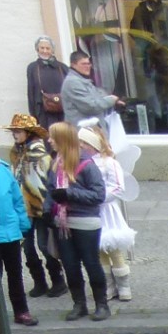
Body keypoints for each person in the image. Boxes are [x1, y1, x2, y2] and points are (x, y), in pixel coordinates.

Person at [45, 120, 109, 321]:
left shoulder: (86, 164)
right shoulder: (56, 163)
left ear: (62, 139)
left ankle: (102, 304)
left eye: (52, 137)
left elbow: (98, 195)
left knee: (91, 263)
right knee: (70, 265)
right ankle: (79, 304)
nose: (49, 141)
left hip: (85, 221)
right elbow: (50, 190)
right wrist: (48, 210)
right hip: (63, 223)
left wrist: (69, 194)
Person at [0, 133, 37, 323]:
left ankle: (21, 311)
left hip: (10, 232)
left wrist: (22, 223)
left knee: (15, 274)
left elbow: (17, 199)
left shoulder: (4, 170)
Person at [8, 112, 66, 297]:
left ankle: (58, 280)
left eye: (18, 131)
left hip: (40, 208)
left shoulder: (38, 154)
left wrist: (46, 206)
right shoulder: (17, 153)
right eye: (14, 131)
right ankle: (39, 281)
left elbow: (43, 183)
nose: (15, 135)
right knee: (28, 247)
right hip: (23, 208)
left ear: (29, 133)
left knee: (44, 245)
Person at [82, 121, 135, 302]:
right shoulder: (84, 163)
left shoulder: (109, 163)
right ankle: (108, 285)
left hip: (107, 209)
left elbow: (117, 186)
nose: (81, 147)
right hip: (92, 211)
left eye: (84, 143)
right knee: (99, 249)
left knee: (113, 247)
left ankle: (124, 285)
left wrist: (99, 197)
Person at [61, 48, 120, 126]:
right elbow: (90, 107)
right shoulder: (72, 82)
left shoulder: (82, 79)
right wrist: (111, 100)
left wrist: (113, 101)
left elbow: (98, 98)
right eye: (83, 64)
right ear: (73, 65)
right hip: (83, 131)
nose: (87, 66)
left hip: (91, 129)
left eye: (88, 63)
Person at [28, 35, 69, 127]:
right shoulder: (33, 68)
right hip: (43, 111)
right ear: (37, 49)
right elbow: (31, 91)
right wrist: (33, 114)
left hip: (62, 110)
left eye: (48, 48)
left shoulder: (62, 67)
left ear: (52, 50)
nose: (45, 51)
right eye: (42, 48)